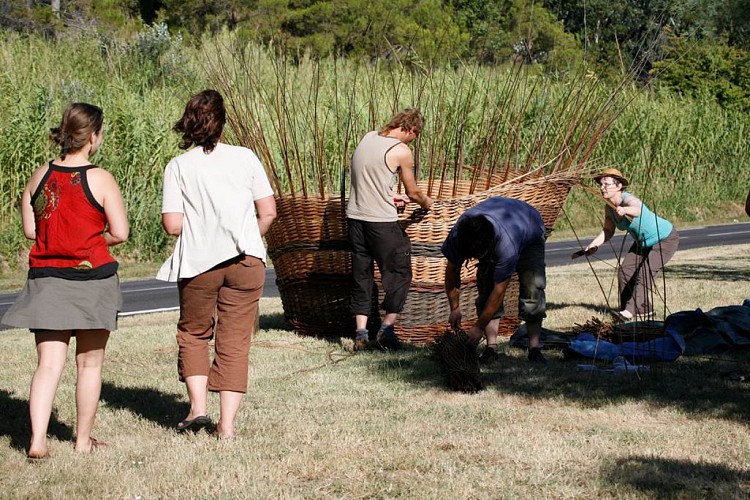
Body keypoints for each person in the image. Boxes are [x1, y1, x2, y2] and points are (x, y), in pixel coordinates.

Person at [1, 103, 129, 460]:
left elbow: (30, 230)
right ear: (93, 137)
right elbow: (120, 231)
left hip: (47, 280)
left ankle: (37, 440)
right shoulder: (100, 178)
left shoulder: (39, 176)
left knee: (48, 364)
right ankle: (82, 440)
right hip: (93, 281)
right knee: (89, 364)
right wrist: (90, 237)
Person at [157, 89, 276, 439]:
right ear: (223, 123)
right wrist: (248, 236)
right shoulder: (246, 158)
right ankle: (227, 426)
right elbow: (267, 211)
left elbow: (173, 225)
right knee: (235, 340)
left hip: (199, 263)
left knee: (194, 333)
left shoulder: (178, 166)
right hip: (246, 259)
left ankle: (197, 409)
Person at [346, 108, 433, 351]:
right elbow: (413, 192)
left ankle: (361, 332)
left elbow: (367, 179)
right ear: (411, 129)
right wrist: (427, 203)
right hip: (381, 223)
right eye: (417, 135)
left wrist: (389, 196)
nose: (415, 139)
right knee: (399, 272)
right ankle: (386, 329)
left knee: (361, 276)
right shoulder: (401, 151)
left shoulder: (367, 137)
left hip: (355, 219)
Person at [442, 197, 547, 364]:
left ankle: (534, 349)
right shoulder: (458, 235)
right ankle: (491, 348)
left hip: (529, 229)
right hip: (501, 225)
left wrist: (478, 327)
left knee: (532, 287)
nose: (474, 258)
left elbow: (499, 291)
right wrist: (454, 308)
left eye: (477, 256)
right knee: (486, 287)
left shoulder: (506, 246)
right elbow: (452, 270)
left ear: (489, 246)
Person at [582, 168, 679, 321]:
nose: (602, 188)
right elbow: (608, 230)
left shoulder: (627, 199)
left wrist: (625, 209)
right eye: (601, 184)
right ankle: (641, 310)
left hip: (665, 238)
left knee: (645, 273)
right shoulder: (609, 207)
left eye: (606, 184)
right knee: (625, 271)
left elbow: (638, 209)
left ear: (619, 186)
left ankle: (628, 312)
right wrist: (594, 245)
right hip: (642, 242)